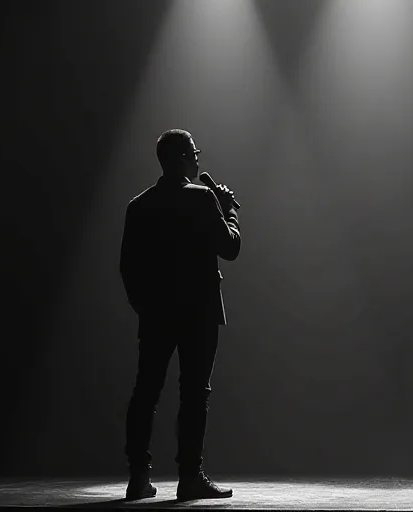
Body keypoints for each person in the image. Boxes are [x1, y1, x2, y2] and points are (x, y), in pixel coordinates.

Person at [119, 129, 240, 500]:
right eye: (195, 153)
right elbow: (231, 247)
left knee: (146, 392)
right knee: (194, 394)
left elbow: (127, 267)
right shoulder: (204, 198)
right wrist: (229, 208)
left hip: (156, 314)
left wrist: (146, 307)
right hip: (200, 313)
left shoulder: (139, 205)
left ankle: (138, 478)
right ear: (186, 157)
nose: (198, 159)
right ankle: (190, 477)